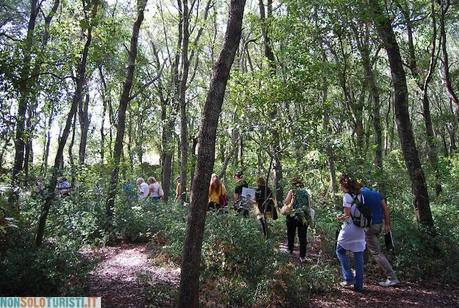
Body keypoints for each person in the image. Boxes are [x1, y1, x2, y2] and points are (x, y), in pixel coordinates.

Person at [361, 185, 400, 287]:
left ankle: (392, 278)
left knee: (377, 253)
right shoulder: (377, 194)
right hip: (379, 225)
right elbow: (386, 209)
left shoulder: (361, 195)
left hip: (369, 227)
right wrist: (387, 224)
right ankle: (361, 272)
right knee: (363, 246)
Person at [336, 174, 366, 292]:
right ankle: (359, 286)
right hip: (360, 229)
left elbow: (347, 215)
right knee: (359, 256)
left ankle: (348, 277)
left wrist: (339, 218)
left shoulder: (347, 196)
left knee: (340, 250)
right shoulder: (361, 196)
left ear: (344, 185)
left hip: (350, 229)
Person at [283, 177, 311, 262]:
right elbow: (309, 205)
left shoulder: (292, 191)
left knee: (291, 234)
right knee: (303, 237)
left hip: (292, 216)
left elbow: (286, 202)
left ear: (293, 184)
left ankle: (289, 251)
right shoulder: (306, 192)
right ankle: (302, 256)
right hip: (303, 217)